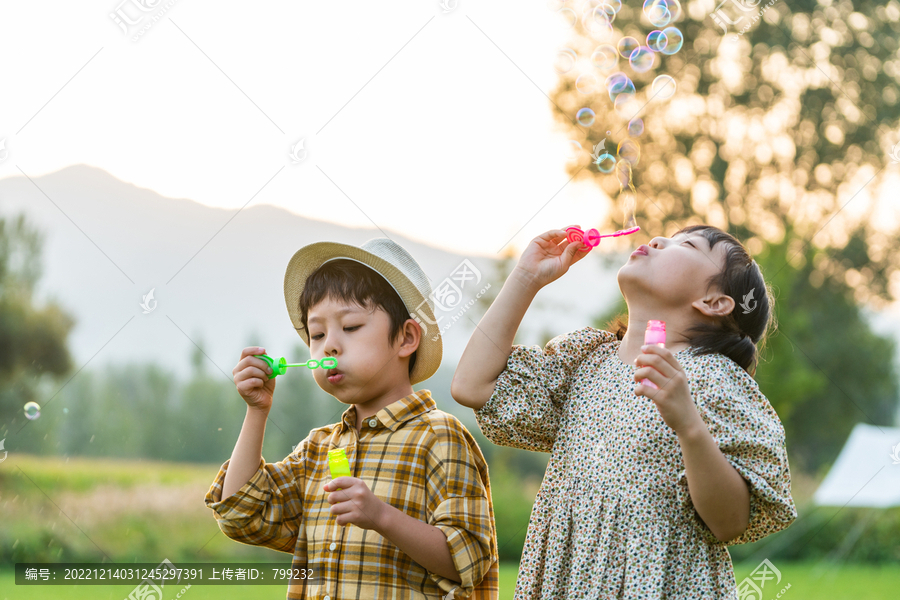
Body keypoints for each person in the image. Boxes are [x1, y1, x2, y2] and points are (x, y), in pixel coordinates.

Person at [450, 225, 797, 599]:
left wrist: (688, 426)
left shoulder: (713, 379)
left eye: (689, 245)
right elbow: (473, 386)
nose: (659, 240)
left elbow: (729, 523)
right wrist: (526, 278)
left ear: (715, 302)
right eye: (668, 236)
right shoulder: (585, 363)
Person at [205, 238, 499, 599]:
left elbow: (468, 560)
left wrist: (380, 516)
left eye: (351, 327)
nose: (328, 345)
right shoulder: (318, 450)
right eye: (317, 333)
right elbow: (241, 514)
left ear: (406, 338)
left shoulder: (440, 437)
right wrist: (257, 411)